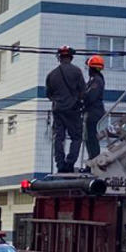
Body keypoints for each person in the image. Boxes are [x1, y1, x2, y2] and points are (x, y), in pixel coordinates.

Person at [45, 45, 86, 173]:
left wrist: (58, 100)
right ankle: (70, 163)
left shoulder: (51, 74)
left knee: (59, 137)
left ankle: (60, 163)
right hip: (72, 110)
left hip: (57, 109)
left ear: (59, 58)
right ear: (71, 57)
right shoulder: (76, 71)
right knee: (76, 137)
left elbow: (48, 94)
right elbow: (83, 91)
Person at [82, 55, 106, 164]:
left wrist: (81, 99)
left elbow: (91, 96)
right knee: (89, 136)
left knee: (90, 137)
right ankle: (93, 157)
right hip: (94, 111)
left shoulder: (96, 80)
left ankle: (94, 158)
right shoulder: (97, 79)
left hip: (93, 112)